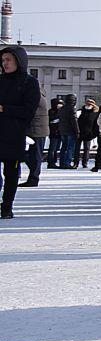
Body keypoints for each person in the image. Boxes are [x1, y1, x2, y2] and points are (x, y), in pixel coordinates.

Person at [0, 46, 42, 219]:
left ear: (18, 60)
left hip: (14, 134)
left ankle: (7, 206)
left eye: (8, 59)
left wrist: (5, 109)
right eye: (3, 60)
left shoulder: (29, 82)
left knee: (11, 173)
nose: (5, 63)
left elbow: (29, 110)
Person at [19, 85, 49, 188]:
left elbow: (28, 111)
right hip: (36, 129)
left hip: (36, 129)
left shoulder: (35, 96)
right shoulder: (39, 95)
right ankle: (33, 176)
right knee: (33, 155)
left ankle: (34, 177)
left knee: (34, 155)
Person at [57, 94, 79, 169]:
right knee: (70, 147)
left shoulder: (62, 108)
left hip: (63, 130)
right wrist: (77, 131)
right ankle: (67, 163)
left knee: (63, 147)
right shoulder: (72, 108)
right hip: (70, 130)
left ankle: (62, 163)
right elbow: (74, 121)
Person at [76, 98, 99, 168]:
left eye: (90, 103)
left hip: (88, 133)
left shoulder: (95, 113)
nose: (88, 104)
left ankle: (85, 163)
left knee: (87, 149)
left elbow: (96, 125)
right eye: (87, 103)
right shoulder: (81, 111)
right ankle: (76, 162)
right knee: (77, 149)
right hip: (80, 132)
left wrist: (93, 134)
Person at [46, 98, 62, 169]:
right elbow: (52, 120)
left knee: (56, 148)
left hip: (59, 132)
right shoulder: (51, 111)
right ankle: (51, 162)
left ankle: (54, 161)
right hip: (53, 132)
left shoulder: (59, 111)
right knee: (52, 148)